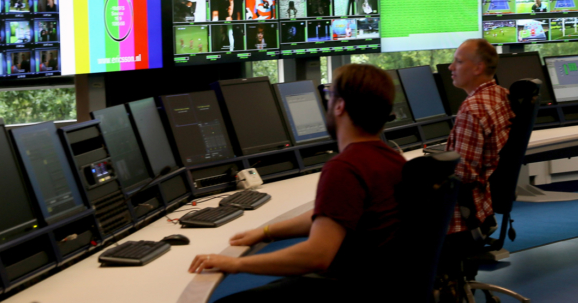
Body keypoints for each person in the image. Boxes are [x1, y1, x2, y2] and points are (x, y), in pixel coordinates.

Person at [189, 64, 404, 302]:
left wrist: (235, 263)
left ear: (340, 106)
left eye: (329, 96)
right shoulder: (392, 158)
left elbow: (317, 255)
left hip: (347, 287)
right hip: (379, 285)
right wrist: (265, 232)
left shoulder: (345, 168)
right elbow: (330, 215)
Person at [439, 39, 515, 275]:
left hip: (461, 219)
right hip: (483, 209)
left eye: (458, 61)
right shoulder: (501, 94)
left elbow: (463, 176)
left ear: (478, 67)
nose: (451, 67)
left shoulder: (472, 110)